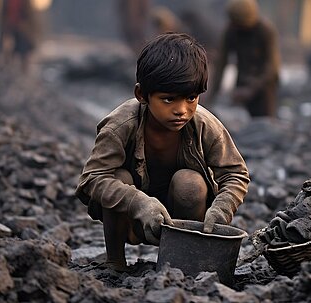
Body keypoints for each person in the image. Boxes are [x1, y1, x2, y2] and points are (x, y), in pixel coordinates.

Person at [75, 32, 250, 272]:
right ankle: (114, 261)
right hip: (131, 219)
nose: (182, 110)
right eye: (168, 100)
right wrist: (137, 202)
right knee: (118, 179)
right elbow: (92, 178)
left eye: (191, 98)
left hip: (183, 219)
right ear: (141, 95)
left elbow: (236, 173)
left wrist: (221, 210)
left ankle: (185, 262)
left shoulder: (205, 125)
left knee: (190, 183)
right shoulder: (120, 125)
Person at [206, 0, 280, 117]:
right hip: (242, 82)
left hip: (264, 86)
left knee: (265, 121)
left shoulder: (265, 31)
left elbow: (272, 68)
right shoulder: (231, 31)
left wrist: (250, 90)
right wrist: (211, 96)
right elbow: (221, 64)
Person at [2, 0, 40, 73]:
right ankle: (8, 67)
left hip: (21, 27)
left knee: (23, 48)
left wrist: (28, 26)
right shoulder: (7, 2)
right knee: (9, 47)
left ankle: (23, 69)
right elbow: (5, 12)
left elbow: (29, 14)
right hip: (11, 26)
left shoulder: (25, 2)